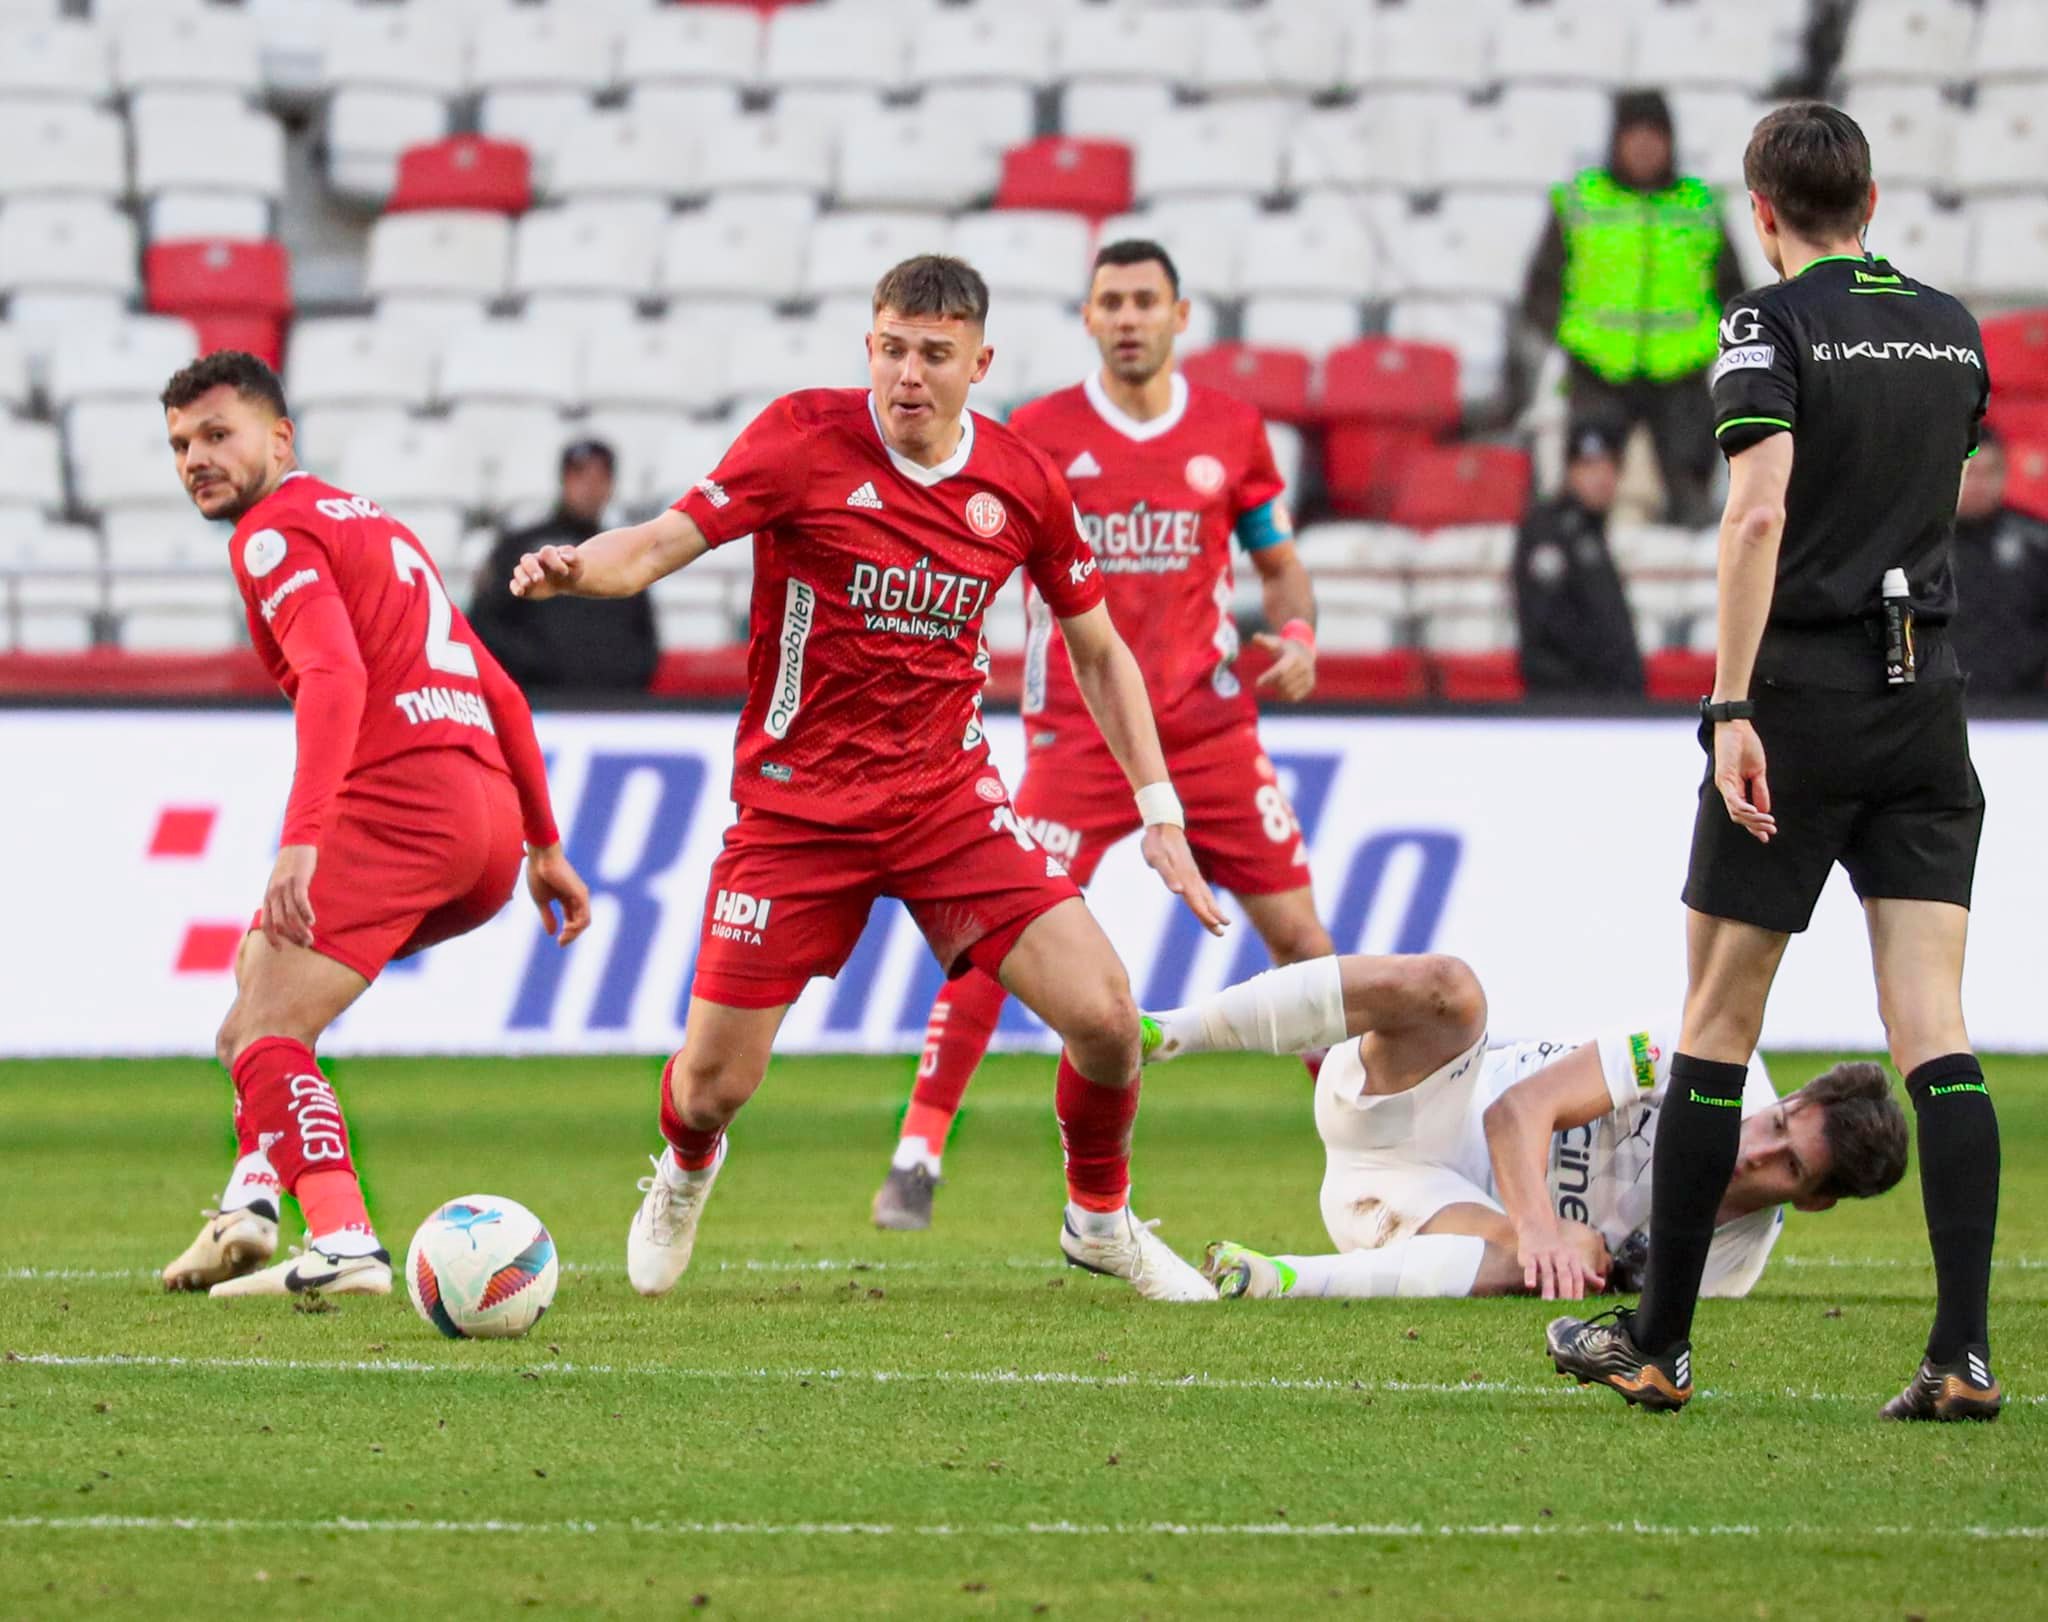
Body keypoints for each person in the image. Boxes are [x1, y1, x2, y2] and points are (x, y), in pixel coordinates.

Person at [510, 255, 1232, 1304]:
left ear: (976, 363)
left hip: (946, 803)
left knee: (1109, 1017)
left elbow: (1098, 648)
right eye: (890, 347)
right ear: (869, 346)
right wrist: (581, 567)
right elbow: (663, 541)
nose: (906, 374)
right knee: (712, 1087)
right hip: (796, 808)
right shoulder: (802, 437)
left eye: (933, 354)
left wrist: (1157, 807)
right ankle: (681, 1167)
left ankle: (1099, 1219)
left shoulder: (1021, 481)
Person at [1546, 104, 2002, 1422]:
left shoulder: (1767, 324)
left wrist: (1733, 699)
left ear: (1761, 209)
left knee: (1719, 1020)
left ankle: (1659, 1342)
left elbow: (1758, 510)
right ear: (1872, 196)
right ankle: (1963, 1353)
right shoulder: (1953, 328)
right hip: (1930, 693)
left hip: (1800, 693)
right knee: (1936, 1029)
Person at [869, 239, 1334, 1232]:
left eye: (1143, 300)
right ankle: (917, 1150)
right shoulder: (1036, 435)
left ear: (1179, 314)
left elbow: (1279, 566)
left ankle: (1370, 1137)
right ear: (1086, 318)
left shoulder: (1231, 431)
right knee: (992, 938)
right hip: (1076, 736)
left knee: (1298, 938)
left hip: (1209, 732)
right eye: (1108, 301)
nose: (1126, 317)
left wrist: (1296, 632)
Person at [156, 352, 590, 1300]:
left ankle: (345, 1237)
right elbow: (503, 692)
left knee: (259, 1031)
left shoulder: (271, 534)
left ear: (281, 438)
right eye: (182, 443)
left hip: (404, 802)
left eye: (218, 435)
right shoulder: (375, 526)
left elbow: (335, 675)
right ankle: (252, 1203)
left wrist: (302, 836)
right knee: (257, 978)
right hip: (480, 822)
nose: (197, 457)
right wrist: (544, 846)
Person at [1129, 954, 1904, 1303]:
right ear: (1787, 1095)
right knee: (1453, 990)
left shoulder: (1729, 1268)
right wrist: (1543, 1228)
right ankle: (1168, 1031)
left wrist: (1557, 1249)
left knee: (1547, 1262)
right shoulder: (1695, 1057)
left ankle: (1271, 1280)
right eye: (1776, 1122)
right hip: (1417, 1098)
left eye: (1786, 1166)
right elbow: (1517, 1111)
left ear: (1811, 1203)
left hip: (1413, 1213)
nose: (1754, 1148)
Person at [1523, 88, 1748, 525]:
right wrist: (1567, 337)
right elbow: (1541, 286)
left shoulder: (1699, 205)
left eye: (1655, 136)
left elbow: (1732, 288)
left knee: (1691, 496)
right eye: (1634, 136)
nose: (1644, 147)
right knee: (1585, 496)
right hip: (1597, 370)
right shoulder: (1580, 200)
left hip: (1682, 371)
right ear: (1615, 141)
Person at [468, 439, 660, 695]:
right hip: (536, 701)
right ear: (563, 480)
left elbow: (644, 636)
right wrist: (534, 665)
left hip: (611, 706)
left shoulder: (621, 550)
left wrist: (620, 678)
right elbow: (485, 624)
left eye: (599, 478)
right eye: (580, 476)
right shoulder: (522, 547)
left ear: (611, 487)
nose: (589, 488)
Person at [1512, 419, 1645, 696]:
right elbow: (1548, 624)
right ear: (1570, 470)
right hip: (1567, 700)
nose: (1602, 477)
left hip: (1609, 701)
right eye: (1589, 466)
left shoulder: (1593, 531)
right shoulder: (1547, 531)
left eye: (1610, 466)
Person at [1947, 427, 2048, 697]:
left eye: (1989, 472)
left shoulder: (2038, 542)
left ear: (2005, 474)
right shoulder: (1916, 547)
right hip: (1938, 709)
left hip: (2026, 713)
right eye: (1969, 473)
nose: (1979, 484)